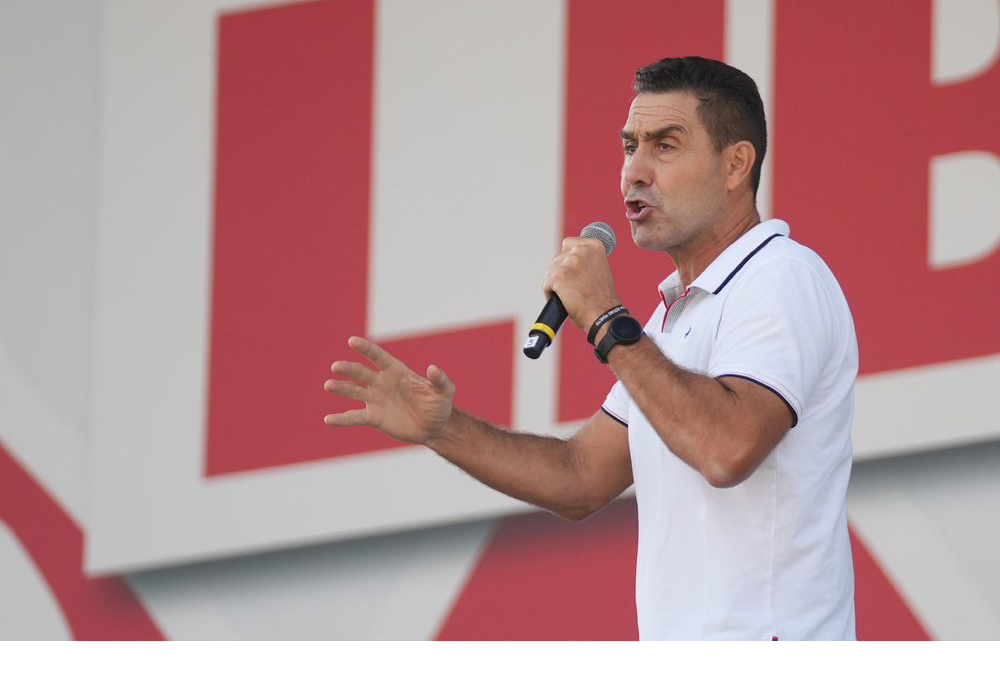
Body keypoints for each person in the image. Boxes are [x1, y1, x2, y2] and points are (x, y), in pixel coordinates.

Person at [324, 56, 858, 640]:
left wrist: (606, 319)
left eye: (665, 146)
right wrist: (443, 428)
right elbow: (579, 478)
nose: (634, 172)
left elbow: (726, 450)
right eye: (630, 146)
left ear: (735, 165)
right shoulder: (668, 319)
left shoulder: (780, 275)